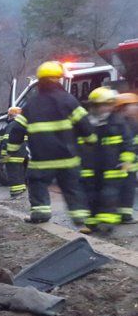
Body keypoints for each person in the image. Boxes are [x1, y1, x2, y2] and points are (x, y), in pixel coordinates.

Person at [7, 61, 92, 224]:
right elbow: (84, 124)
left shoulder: (31, 104)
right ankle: (80, 216)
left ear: (40, 81)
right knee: (72, 187)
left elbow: (17, 129)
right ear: (58, 79)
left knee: (37, 184)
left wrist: (12, 149)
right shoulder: (69, 100)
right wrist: (90, 141)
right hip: (68, 159)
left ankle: (40, 213)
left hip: (42, 161)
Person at [77, 87, 134, 233]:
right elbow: (77, 143)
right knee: (90, 194)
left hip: (113, 166)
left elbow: (128, 144)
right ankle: (92, 223)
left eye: (106, 105)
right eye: (99, 105)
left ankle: (107, 223)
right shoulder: (87, 122)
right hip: (90, 166)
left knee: (109, 194)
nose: (103, 108)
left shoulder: (118, 122)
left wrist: (126, 161)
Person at [115, 92, 138, 222]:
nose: (136, 108)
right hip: (123, 164)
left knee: (127, 190)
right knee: (125, 190)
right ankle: (124, 216)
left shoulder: (131, 122)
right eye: (133, 105)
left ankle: (124, 215)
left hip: (130, 164)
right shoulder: (121, 123)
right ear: (123, 107)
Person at [1, 106, 28, 198]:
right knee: (19, 171)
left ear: (11, 116)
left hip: (12, 153)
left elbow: (6, 141)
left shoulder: (11, 125)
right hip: (22, 154)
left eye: (9, 115)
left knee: (12, 173)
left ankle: (15, 194)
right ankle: (21, 189)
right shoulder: (22, 125)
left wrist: (4, 155)